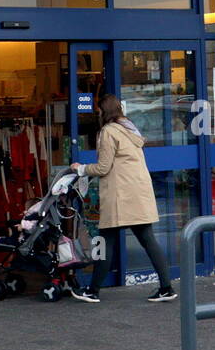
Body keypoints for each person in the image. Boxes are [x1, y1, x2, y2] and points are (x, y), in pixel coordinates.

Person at [68, 94, 175, 303]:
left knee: (106, 241)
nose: (97, 114)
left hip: (121, 197)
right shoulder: (129, 128)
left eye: (99, 110)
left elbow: (103, 167)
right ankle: (167, 287)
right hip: (138, 193)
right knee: (148, 240)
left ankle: (93, 290)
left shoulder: (108, 132)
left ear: (104, 111)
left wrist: (80, 169)